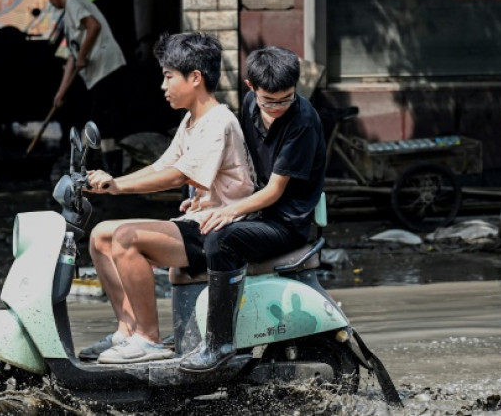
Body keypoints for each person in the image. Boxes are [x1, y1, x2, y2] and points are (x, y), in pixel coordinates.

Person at [79, 32, 255, 364]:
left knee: (126, 239)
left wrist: (118, 187)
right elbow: (163, 164)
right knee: (101, 234)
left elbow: (179, 175)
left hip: (220, 231)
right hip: (199, 222)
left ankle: (148, 338)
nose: (163, 85)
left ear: (195, 78)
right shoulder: (191, 120)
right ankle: (127, 330)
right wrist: (112, 181)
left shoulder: (219, 120)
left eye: (168, 76)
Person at [178, 46, 327, 373]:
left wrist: (230, 212)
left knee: (221, 241)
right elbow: (234, 160)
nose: (277, 107)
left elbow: (274, 191)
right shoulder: (248, 106)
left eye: (285, 98)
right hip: (255, 211)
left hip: (286, 223)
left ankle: (219, 345)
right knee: (187, 234)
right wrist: (206, 194)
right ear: (250, 87)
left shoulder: (301, 120)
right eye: (268, 100)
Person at [41, 0, 128, 172]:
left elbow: (93, 26)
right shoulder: (69, 18)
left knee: (97, 121)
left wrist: (83, 54)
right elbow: (72, 58)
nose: (50, 1)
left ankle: (87, 169)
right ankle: (109, 171)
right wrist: (60, 94)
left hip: (108, 68)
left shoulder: (73, 1)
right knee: (103, 123)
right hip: (98, 75)